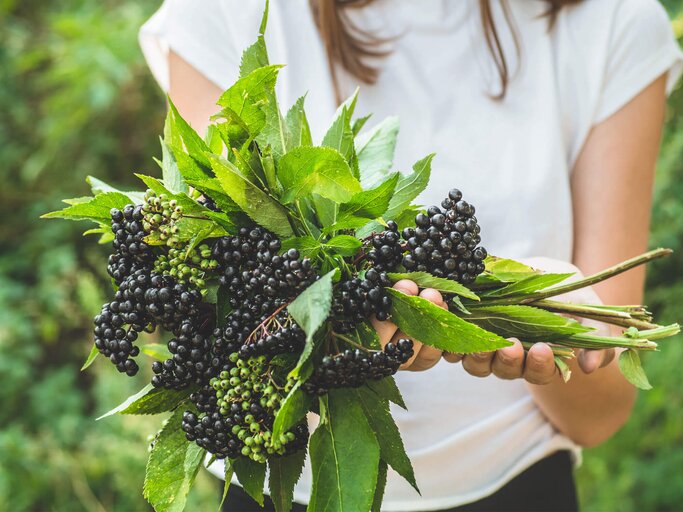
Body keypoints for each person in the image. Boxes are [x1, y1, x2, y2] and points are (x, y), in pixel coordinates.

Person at [140, 1, 683, 510]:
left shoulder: (614, 20)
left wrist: (558, 311)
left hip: (517, 484)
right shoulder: (224, 11)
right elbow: (219, 310)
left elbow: (601, 414)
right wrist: (336, 332)